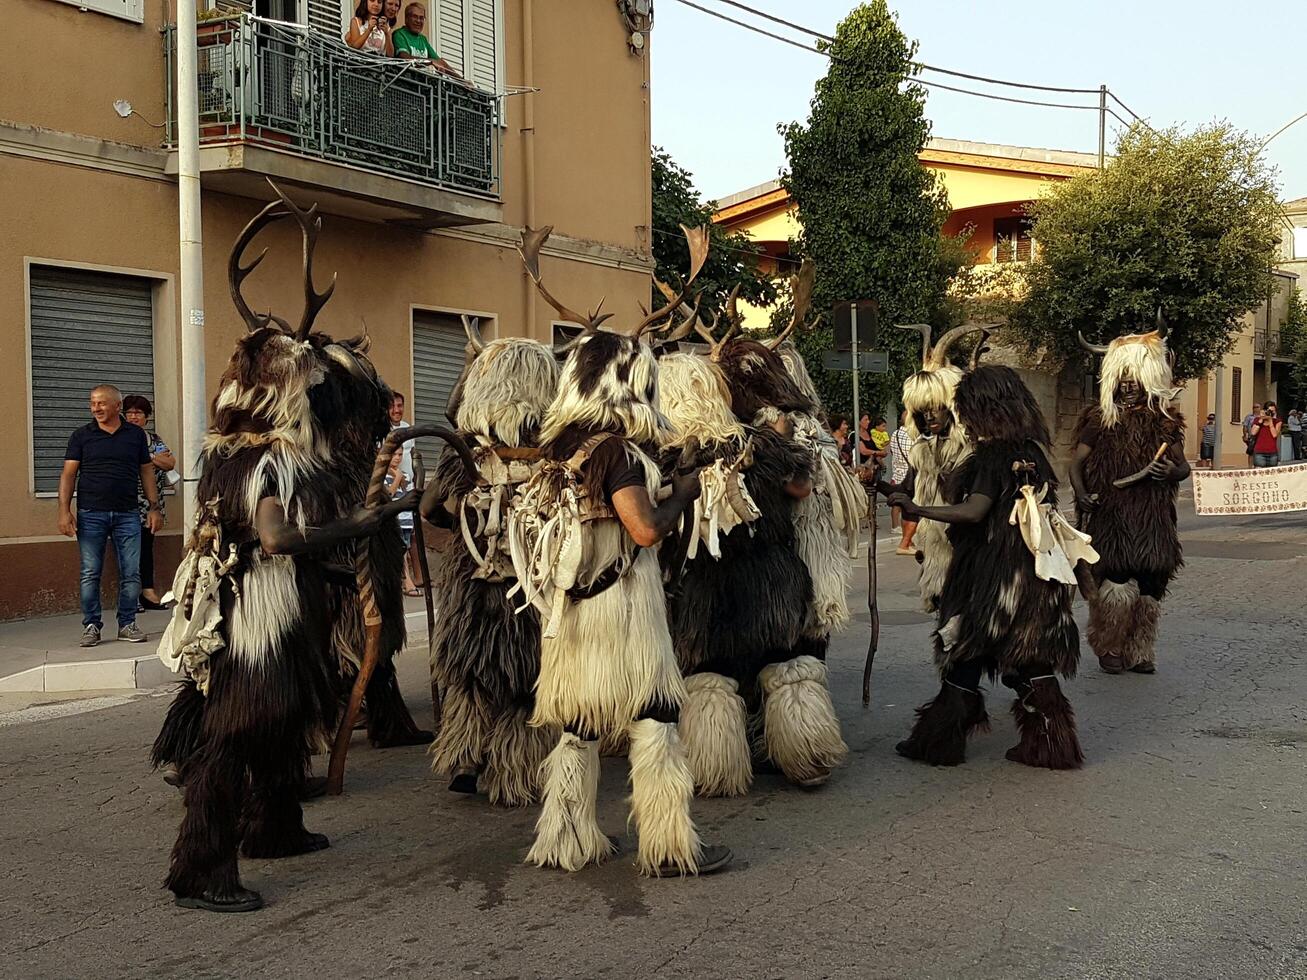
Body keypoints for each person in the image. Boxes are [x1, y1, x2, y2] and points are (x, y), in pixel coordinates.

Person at [151, 186, 435, 913]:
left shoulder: (225, 452)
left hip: (265, 613)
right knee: (241, 734)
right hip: (259, 620)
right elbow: (276, 536)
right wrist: (365, 524)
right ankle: (202, 868)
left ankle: (277, 823)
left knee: (280, 724)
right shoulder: (270, 461)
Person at [506, 225, 731, 877]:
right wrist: (684, 492)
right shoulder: (617, 451)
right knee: (654, 714)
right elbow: (642, 529)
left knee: (575, 722)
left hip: (571, 613)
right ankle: (668, 847)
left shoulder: (560, 448)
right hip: (624, 613)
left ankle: (565, 838)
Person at [890, 365, 1084, 770]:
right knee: (1031, 659)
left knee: (966, 654)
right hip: (1032, 576)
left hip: (990, 580)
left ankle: (938, 744)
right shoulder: (1033, 454)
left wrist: (917, 508)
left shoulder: (992, 458)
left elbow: (976, 511)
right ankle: (1053, 745)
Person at [418, 321, 560, 805]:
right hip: (532, 580)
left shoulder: (465, 450)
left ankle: (466, 754)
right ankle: (514, 770)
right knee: (526, 675)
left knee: (470, 669)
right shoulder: (555, 451)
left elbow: (430, 510)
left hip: (469, 577)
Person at [1072, 319, 1189, 675]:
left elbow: (1183, 466)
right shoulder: (1099, 420)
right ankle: (1109, 645)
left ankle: (1140, 649)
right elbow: (1076, 463)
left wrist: (1171, 473)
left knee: (1151, 585)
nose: (1128, 387)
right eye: (1122, 380)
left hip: (1153, 518)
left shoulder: (1165, 421)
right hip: (1113, 515)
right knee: (1117, 580)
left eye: (1134, 379)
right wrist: (1081, 494)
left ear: (1148, 380)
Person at [875, 325, 985, 611]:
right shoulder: (923, 451)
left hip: (971, 559)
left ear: (952, 407)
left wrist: (920, 510)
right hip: (937, 561)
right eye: (922, 409)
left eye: (935, 407)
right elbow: (905, 491)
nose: (928, 415)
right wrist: (876, 483)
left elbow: (974, 511)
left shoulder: (976, 453)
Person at [58, 384, 162, 647]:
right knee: (90, 571)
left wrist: (154, 507)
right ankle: (91, 625)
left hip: (128, 513)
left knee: (132, 573)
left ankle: (127, 624)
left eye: (101, 403)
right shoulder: (82, 436)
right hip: (91, 513)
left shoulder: (135, 436)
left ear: (117, 407)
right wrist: (64, 511)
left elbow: (147, 471)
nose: (96, 408)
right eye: (93, 403)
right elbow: (68, 475)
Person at [123, 395, 175, 610]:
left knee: (146, 548)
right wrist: (154, 458)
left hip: (150, 504)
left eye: (139, 413)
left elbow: (169, 462)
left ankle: (148, 591)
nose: (134, 417)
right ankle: (130, 596)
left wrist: (147, 456)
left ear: (146, 418)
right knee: (127, 549)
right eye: (130, 413)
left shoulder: (152, 439)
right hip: (125, 503)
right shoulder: (120, 437)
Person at [392, 2, 457, 73]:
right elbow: (404, 57)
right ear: (406, 18)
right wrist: (429, 62)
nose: (418, 21)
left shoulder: (423, 39)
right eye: (415, 17)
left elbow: (439, 62)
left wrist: (463, 82)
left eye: (421, 18)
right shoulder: (399, 34)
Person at [888, 410, 917, 554]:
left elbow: (892, 452)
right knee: (911, 508)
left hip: (897, 473)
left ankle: (897, 529)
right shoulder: (913, 435)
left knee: (897, 503)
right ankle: (906, 542)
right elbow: (915, 455)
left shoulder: (895, 434)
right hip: (910, 476)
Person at [1249, 402, 1283, 468]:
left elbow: (1274, 435)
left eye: (1273, 411)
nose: (1270, 413)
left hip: (1272, 452)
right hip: (1259, 452)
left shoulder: (1277, 421)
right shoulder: (1257, 420)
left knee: (1272, 475)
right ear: (1264, 411)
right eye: (1269, 411)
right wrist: (1261, 419)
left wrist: (1270, 421)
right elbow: (1253, 433)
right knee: (1259, 474)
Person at [1243, 402, 1261, 466]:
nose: (1255, 409)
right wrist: (1245, 435)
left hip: (1260, 437)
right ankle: (1250, 467)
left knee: (1258, 452)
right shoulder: (1249, 417)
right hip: (1252, 437)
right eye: (1254, 407)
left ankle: (1257, 465)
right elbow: (1245, 426)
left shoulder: (1262, 417)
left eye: (1257, 407)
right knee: (1251, 452)